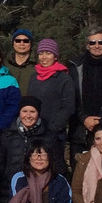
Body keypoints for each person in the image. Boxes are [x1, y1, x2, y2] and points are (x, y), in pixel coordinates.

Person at [0, 96, 62, 203]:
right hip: (9, 191)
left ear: (38, 113)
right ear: (19, 113)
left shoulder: (49, 137)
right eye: (24, 111)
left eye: (32, 111)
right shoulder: (7, 135)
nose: (28, 116)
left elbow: (59, 166)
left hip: (39, 191)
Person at [67, 27, 102, 172]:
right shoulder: (74, 67)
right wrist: (83, 118)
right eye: (92, 42)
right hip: (79, 131)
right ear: (87, 45)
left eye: (101, 42)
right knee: (79, 174)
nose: (97, 46)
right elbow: (71, 97)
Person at [25, 38, 75, 167]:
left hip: (54, 133)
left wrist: (53, 128)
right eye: (41, 53)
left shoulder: (64, 78)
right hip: (34, 131)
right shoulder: (33, 77)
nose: (44, 57)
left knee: (54, 167)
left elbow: (68, 106)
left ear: (55, 56)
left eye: (48, 53)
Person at [7, 29, 35, 93]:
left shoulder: (37, 65)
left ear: (31, 44)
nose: (22, 44)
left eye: (26, 41)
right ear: (13, 44)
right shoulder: (5, 64)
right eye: (18, 41)